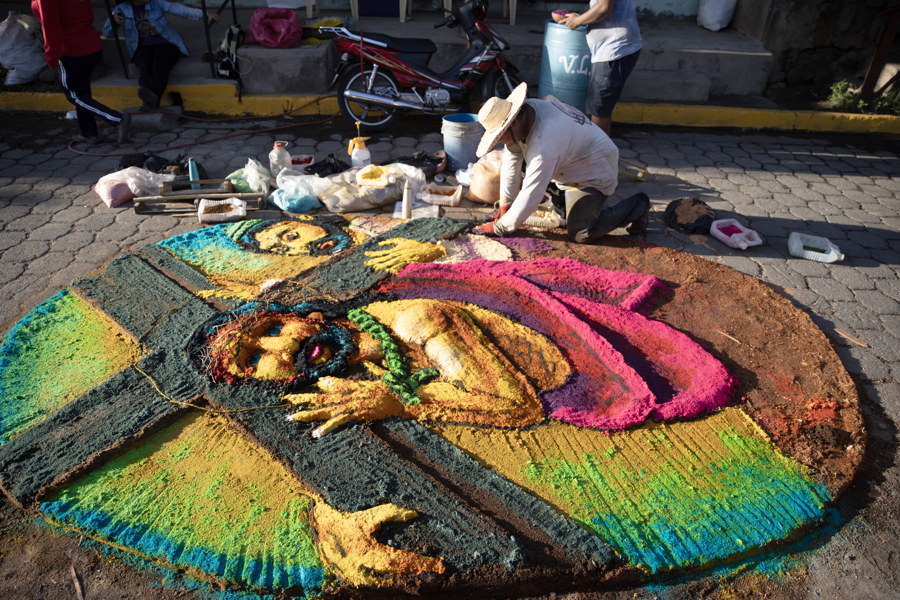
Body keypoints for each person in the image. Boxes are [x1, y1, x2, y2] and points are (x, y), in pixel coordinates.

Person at [473, 82, 649, 243]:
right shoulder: (527, 112)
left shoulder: (544, 142)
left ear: (514, 123)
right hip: (570, 163)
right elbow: (511, 160)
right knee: (526, 163)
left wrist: (501, 227)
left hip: (594, 171)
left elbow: (533, 192)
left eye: (500, 136)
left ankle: (637, 206)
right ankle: (564, 204)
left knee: (581, 232)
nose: (500, 141)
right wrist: (506, 206)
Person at [32, 0, 124, 144]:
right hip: (91, 44)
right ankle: (88, 133)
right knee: (82, 93)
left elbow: (50, 27)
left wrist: (52, 57)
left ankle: (117, 119)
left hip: (71, 51)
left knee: (75, 96)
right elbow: (89, 15)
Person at [103, 0, 219, 110]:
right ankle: (151, 101)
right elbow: (107, 34)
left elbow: (179, 9)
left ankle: (150, 102)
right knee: (144, 68)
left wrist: (205, 15)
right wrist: (113, 21)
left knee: (160, 67)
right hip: (141, 47)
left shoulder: (156, 3)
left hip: (166, 44)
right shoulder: (121, 9)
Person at [560, 0, 642, 136]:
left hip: (613, 49)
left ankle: (598, 148)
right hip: (617, 47)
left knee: (598, 110)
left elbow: (604, 6)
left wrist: (578, 21)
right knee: (602, 110)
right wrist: (583, 17)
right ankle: (604, 147)